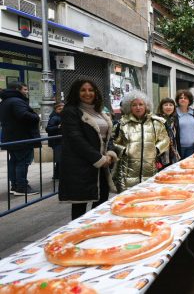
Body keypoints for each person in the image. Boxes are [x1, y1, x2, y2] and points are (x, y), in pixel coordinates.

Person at [59, 79, 117, 219]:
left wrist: (109, 154)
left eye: (91, 90)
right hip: (81, 166)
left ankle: (97, 231)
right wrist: (99, 159)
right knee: (80, 208)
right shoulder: (70, 111)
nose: (87, 93)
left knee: (101, 204)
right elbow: (76, 139)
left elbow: (107, 136)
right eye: (83, 90)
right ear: (76, 92)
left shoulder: (100, 111)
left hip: (102, 166)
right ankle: (78, 236)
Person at [111, 90, 170, 192]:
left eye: (141, 104)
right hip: (126, 173)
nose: (138, 107)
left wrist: (156, 149)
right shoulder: (122, 124)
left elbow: (165, 139)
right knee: (128, 202)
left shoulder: (156, 123)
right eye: (134, 105)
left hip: (150, 171)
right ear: (129, 107)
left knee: (148, 200)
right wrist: (124, 150)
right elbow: (113, 142)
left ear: (146, 106)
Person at [0, 82, 40, 195]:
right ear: (18, 89)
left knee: (14, 161)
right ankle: (22, 187)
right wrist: (35, 116)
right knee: (22, 162)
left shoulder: (5, 101)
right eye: (25, 89)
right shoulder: (17, 101)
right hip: (22, 138)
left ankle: (15, 186)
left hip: (11, 138)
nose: (27, 92)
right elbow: (23, 115)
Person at [156, 97, 181, 169]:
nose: (168, 107)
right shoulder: (157, 120)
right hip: (161, 155)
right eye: (166, 105)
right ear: (161, 107)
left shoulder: (174, 119)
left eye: (171, 105)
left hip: (173, 153)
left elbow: (176, 138)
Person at [175, 90, 194, 159]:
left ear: (189, 101)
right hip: (179, 149)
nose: (183, 99)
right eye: (181, 98)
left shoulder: (193, 112)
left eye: (185, 98)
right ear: (178, 100)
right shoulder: (174, 113)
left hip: (192, 147)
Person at [46, 102, 64, 181]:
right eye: (60, 109)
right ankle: (60, 175)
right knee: (60, 159)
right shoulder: (54, 117)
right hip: (57, 141)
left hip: (60, 141)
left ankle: (57, 175)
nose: (62, 110)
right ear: (55, 109)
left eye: (63, 109)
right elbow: (48, 129)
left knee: (60, 159)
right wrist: (58, 127)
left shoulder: (61, 116)